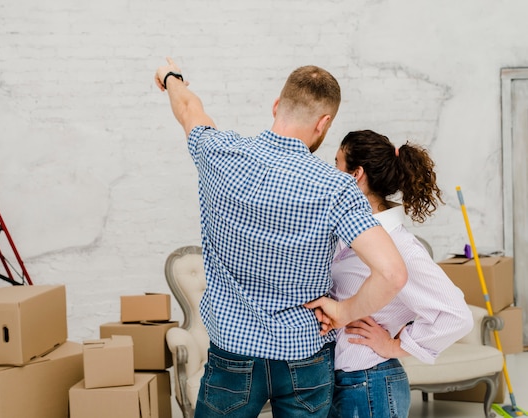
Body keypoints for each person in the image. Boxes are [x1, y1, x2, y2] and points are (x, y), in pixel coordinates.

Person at [154, 57, 408, 418]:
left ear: (277, 105)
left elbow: (188, 109)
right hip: (305, 357)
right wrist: (341, 313)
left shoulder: (218, 154)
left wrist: (171, 78)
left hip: (233, 353)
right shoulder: (336, 187)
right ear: (324, 123)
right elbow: (393, 273)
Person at [328, 130, 474, 418]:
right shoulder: (353, 233)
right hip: (347, 382)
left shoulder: (401, 246)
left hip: (371, 384)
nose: (331, 172)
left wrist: (394, 345)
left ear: (356, 174)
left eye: (337, 164)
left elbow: (457, 315)